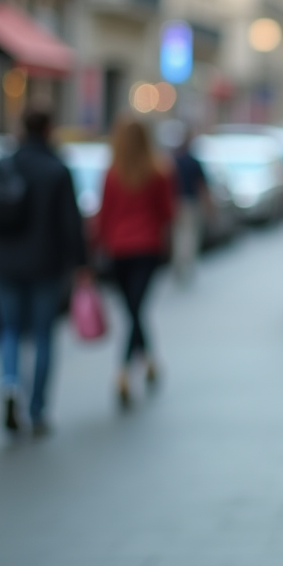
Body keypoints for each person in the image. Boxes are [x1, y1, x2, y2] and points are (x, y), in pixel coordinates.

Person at [0, 107, 88, 437]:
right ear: (50, 128)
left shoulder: (4, 164)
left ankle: (10, 383)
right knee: (42, 335)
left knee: (9, 330)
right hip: (46, 265)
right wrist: (82, 265)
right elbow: (72, 224)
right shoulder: (57, 169)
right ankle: (37, 408)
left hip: (8, 264)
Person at [97, 117, 174, 407]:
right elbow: (168, 212)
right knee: (136, 311)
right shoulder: (158, 172)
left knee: (133, 311)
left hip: (118, 250)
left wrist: (97, 247)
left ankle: (126, 372)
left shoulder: (112, 174)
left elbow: (103, 215)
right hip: (147, 248)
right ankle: (141, 364)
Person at [170, 127, 209, 286]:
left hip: (176, 202)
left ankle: (180, 264)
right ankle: (185, 263)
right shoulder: (192, 161)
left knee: (179, 235)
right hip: (189, 202)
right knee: (189, 236)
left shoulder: (174, 161)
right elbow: (202, 186)